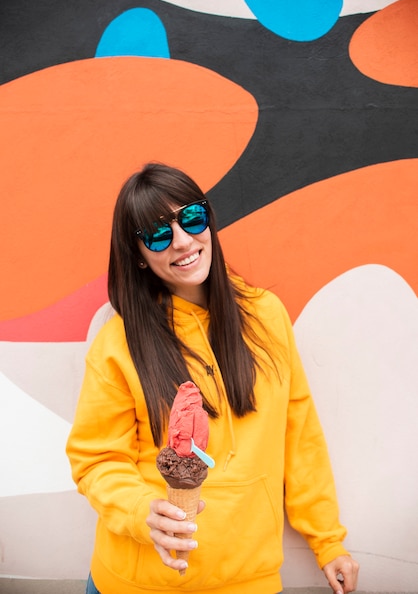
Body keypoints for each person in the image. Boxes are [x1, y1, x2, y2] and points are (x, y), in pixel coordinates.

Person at [66, 162, 359, 594]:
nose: (183, 241)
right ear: (140, 257)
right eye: (158, 234)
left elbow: (300, 438)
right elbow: (95, 460)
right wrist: (140, 510)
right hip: (139, 581)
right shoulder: (119, 344)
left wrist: (328, 541)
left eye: (191, 217)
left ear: (208, 218)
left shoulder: (266, 316)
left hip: (246, 579)